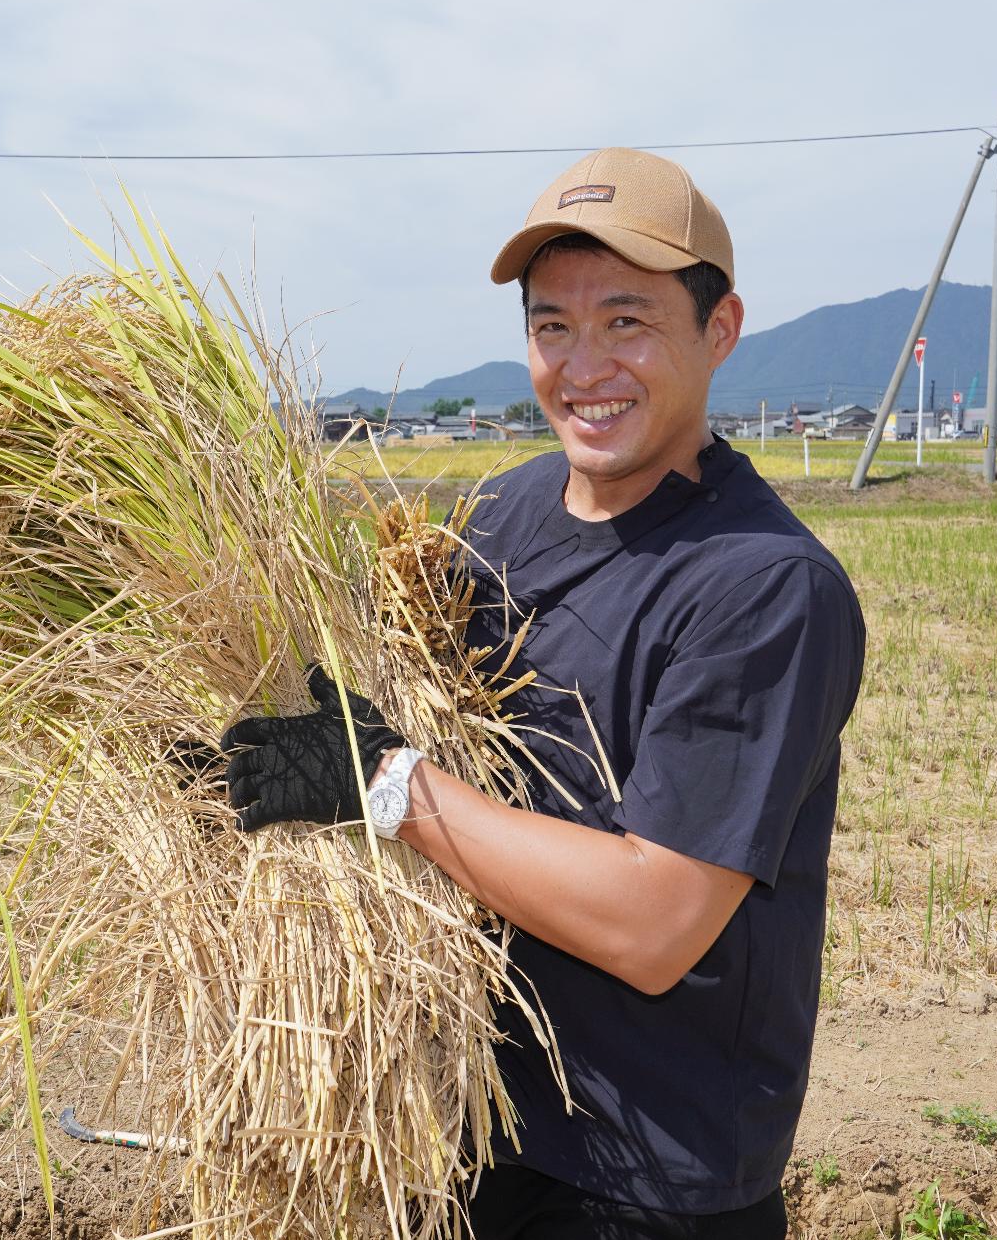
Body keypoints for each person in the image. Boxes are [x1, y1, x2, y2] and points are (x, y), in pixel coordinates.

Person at [222, 147, 867, 1239]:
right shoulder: (499, 516)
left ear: (718, 330)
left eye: (626, 321)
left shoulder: (761, 589)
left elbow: (652, 917)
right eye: (551, 327)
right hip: (465, 1118)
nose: (584, 366)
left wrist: (388, 785)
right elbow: (405, 704)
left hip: (645, 1170)